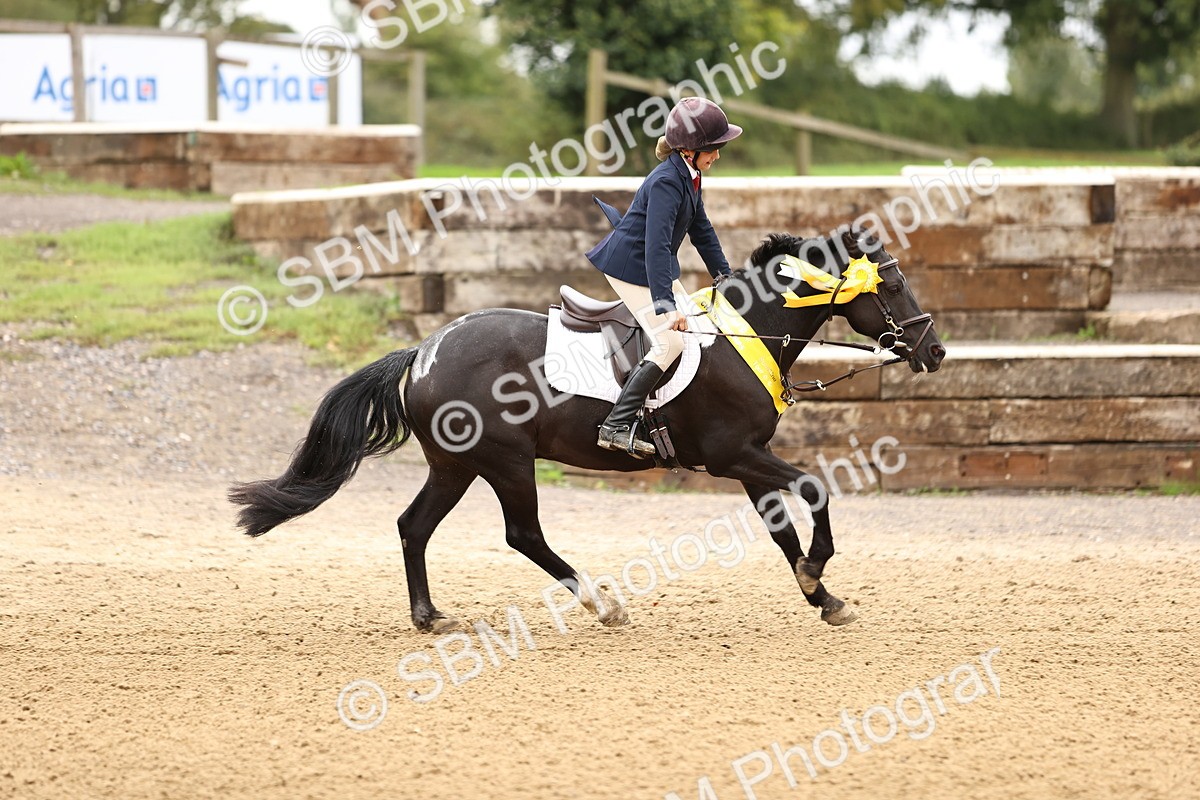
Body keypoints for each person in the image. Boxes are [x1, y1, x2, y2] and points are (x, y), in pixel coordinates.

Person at [585, 96, 742, 457]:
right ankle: (615, 424)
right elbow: (656, 246)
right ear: (690, 150)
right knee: (670, 342)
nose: (718, 155)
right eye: (714, 149)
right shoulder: (666, 182)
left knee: (700, 332)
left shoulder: (691, 174)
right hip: (631, 267)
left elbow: (701, 229)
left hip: (655, 265)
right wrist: (665, 306)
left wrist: (724, 275)